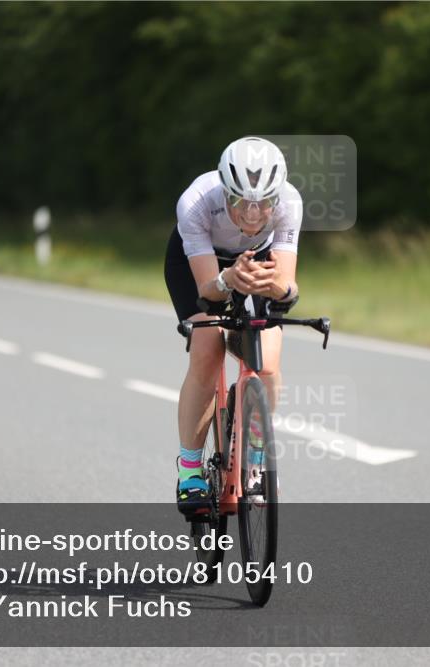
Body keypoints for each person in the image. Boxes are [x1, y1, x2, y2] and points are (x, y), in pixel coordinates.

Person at [164, 137, 302, 515]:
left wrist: (280, 288)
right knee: (207, 352)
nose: (254, 214)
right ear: (225, 192)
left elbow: (287, 286)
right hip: (201, 263)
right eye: (241, 202)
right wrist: (228, 281)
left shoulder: (290, 202)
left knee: (268, 361)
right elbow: (209, 289)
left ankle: (254, 458)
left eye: (264, 203)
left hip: (257, 260)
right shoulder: (196, 202)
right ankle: (190, 470)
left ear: (278, 196)